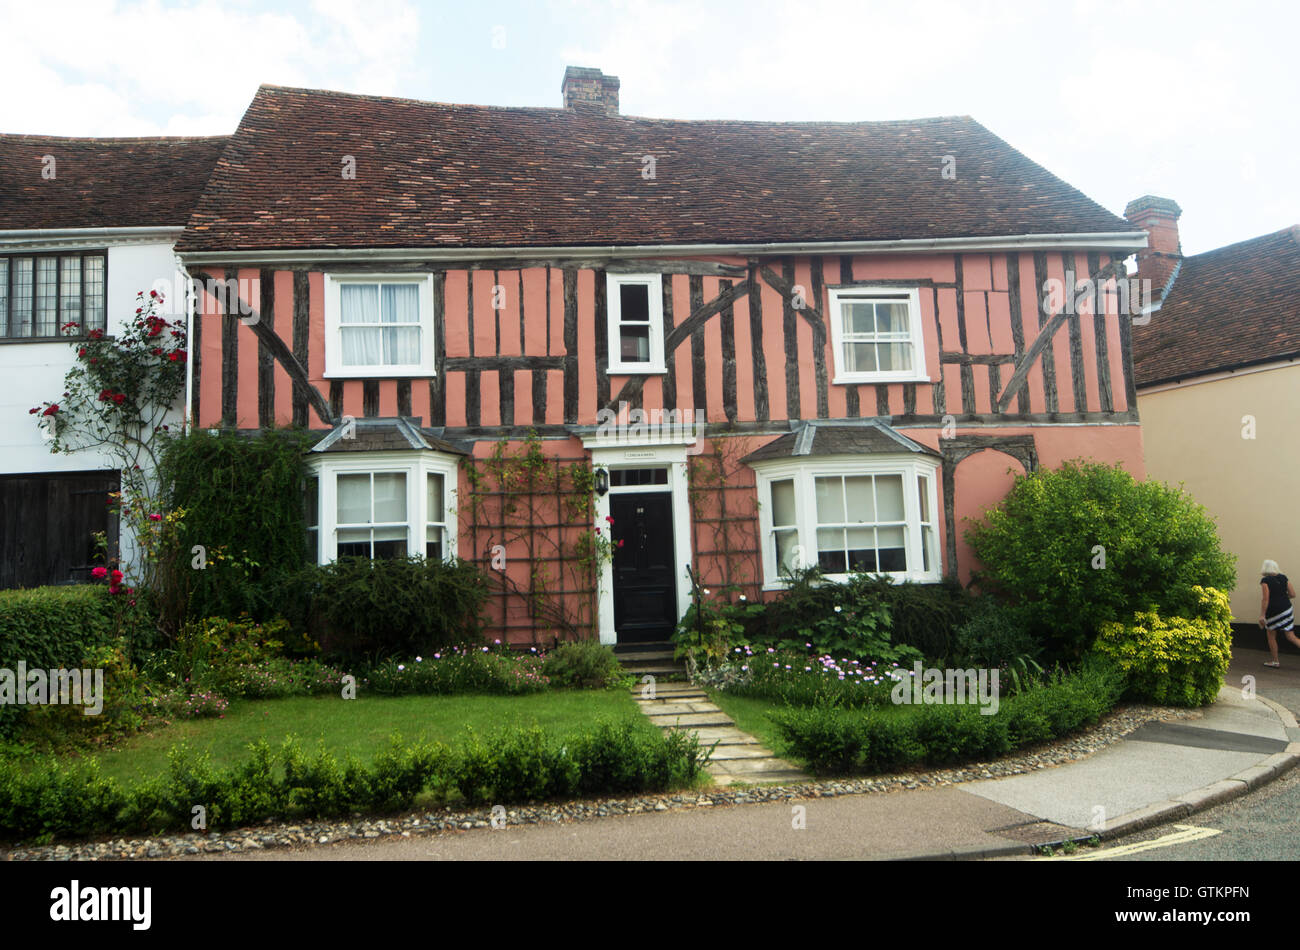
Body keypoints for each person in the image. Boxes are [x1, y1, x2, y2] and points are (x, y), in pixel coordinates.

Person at [1259, 559, 1300, 667]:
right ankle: (1275, 661)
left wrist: (1262, 615)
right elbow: (1292, 594)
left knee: (1271, 635)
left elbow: (1265, 599)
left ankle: (1275, 661)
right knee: (1291, 636)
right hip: (1286, 609)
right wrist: (1283, 598)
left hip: (1273, 611)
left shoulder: (1265, 580)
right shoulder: (1283, 577)